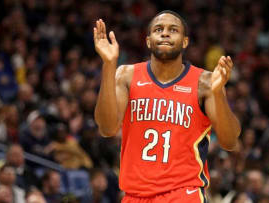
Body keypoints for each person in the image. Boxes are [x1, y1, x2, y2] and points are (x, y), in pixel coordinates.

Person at [93, 10, 241, 202]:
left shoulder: (205, 82)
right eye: (158, 29)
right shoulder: (126, 75)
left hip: (183, 194)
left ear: (185, 41)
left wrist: (218, 93)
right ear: (148, 41)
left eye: (173, 29)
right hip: (135, 195)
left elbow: (230, 141)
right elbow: (107, 128)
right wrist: (108, 65)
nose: (165, 33)